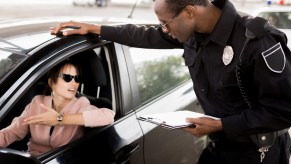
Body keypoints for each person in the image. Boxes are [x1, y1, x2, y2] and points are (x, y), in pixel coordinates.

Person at [50, 0, 291, 163]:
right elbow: (145, 35)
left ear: (189, 12)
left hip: (259, 153)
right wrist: (96, 28)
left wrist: (221, 125)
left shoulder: (257, 42)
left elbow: (284, 111)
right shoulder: (193, 31)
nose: (164, 30)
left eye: (166, 22)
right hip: (219, 148)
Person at [0, 60, 115, 156]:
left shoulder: (81, 105)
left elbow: (108, 116)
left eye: (77, 78)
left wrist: (59, 119)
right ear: (51, 82)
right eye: (67, 78)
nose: (74, 83)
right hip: (34, 159)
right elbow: (10, 133)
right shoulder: (37, 102)